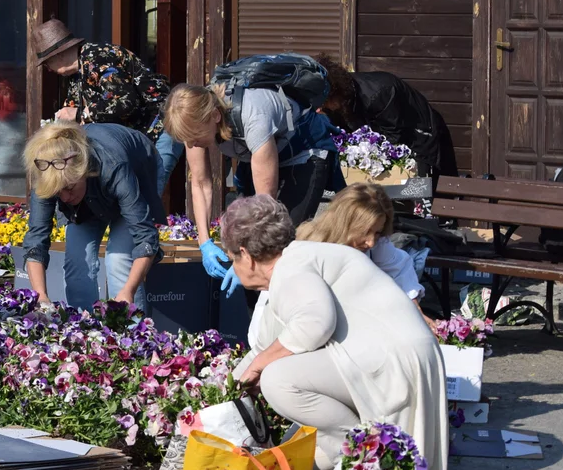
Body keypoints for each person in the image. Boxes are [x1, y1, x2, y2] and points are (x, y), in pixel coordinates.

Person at [221, 195, 447, 470]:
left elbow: (315, 323)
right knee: (304, 449)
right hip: (405, 358)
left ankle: (365, 445)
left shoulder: (291, 266)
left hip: (395, 362)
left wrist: (258, 367)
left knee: (277, 379)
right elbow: (276, 341)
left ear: (246, 255)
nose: (235, 267)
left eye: (232, 259)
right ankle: (356, 451)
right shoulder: (303, 257)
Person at [161, 80, 344, 295]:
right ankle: (254, 324)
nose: (191, 145)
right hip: (260, 154)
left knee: (278, 243)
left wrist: (249, 263)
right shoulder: (196, 123)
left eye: (193, 139)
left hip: (304, 154)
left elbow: (266, 207)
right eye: (186, 141)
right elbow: (200, 184)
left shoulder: (254, 115)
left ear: (215, 116)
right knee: (244, 253)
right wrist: (204, 243)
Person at [21, 121, 164, 313]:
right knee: (77, 264)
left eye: (69, 188)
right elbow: (36, 241)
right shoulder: (47, 175)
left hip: (139, 168)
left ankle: (130, 333)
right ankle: (84, 332)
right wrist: (41, 297)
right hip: (92, 196)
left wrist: (127, 292)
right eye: (58, 192)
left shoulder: (114, 167)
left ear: (85, 172)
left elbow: (145, 238)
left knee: (119, 259)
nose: (65, 198)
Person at [31, 19, 177, 195]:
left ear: (58, 56)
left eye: (46, 63)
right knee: (132, 198)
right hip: (136, 139)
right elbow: (74, 111)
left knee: (147, 198)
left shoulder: (98, 57)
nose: (48, 69)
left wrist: (79, 114)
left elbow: (126, 102)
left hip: (159, 127)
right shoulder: (76, 74)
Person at [296, 183, 439, 334]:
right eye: (365, 231)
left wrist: (414, 309)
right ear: (344, 224)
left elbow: (398, 267)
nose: (371, 242)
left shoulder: (377, 244)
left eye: (377, 233)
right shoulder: (310, 248)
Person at [316, 53, 458, 177]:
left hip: (418, 137)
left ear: (334, 92)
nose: (320, 108)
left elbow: (393, 136)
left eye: (324, 101)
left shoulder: (379, 93)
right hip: (386, 144)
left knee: (421, 194)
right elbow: (344, 134)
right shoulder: (337, 101)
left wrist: (368, 155)